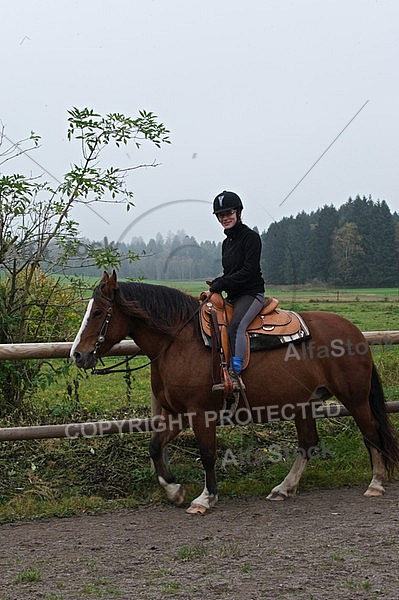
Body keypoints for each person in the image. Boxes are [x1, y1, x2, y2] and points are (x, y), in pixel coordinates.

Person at [209, 190, 265, 391]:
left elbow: (248, 272)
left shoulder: (251, 238)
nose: (225, 218)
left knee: (236, 326)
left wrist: (221, 283)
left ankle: (235, 374)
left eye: (229, 213)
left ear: (238, 212)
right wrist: (219, 284)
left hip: (251, 294)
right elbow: (230, 272)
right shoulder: (227, 243)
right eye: (221, 215)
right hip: (233, 296)